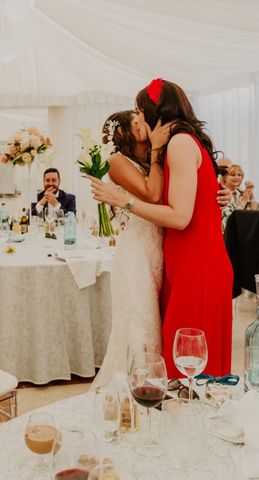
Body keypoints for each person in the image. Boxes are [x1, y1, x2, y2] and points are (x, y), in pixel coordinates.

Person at [89, 78, 233, 377]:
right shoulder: (177, 143)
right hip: (182, 261)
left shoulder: (179, 143)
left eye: (140, 111)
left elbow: (180, 216)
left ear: (156, 111)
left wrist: (123, 201)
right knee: (182, 357)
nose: (138, 118)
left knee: (191, 365)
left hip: (196, 264)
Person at [90, 110, 170, 389]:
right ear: (123, 131)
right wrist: (158, 149)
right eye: (135, 122)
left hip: (156, 250)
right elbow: (152, 195)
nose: (142, 124)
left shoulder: (147, 159)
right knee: (140, 321)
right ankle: (139, 389)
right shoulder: (116, 161)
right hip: (135, 252)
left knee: (154, 319)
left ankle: (151, 384)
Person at [220, 164, 258, 231]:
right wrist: (243, 201)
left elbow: (253, 212)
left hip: (241, 229)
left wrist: (250, 192)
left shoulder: (240, 191)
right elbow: (229, 218)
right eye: (233, 175)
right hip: (227, 231)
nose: (237, 177)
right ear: (225, 177)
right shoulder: (222, 192)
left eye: (239, 175)